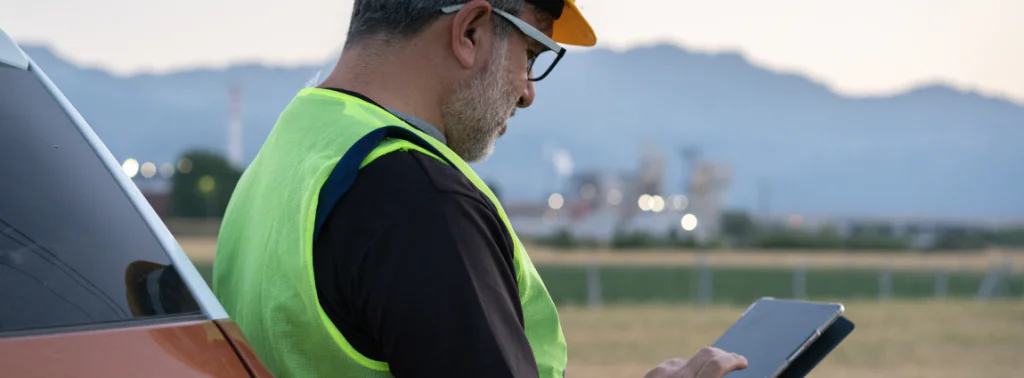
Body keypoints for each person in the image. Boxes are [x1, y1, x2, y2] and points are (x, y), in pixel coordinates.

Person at [212, 1, 748, 377]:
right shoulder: (422, 201)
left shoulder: (290, 149)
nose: (529, 94)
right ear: (470, 30)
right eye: (532, 56)